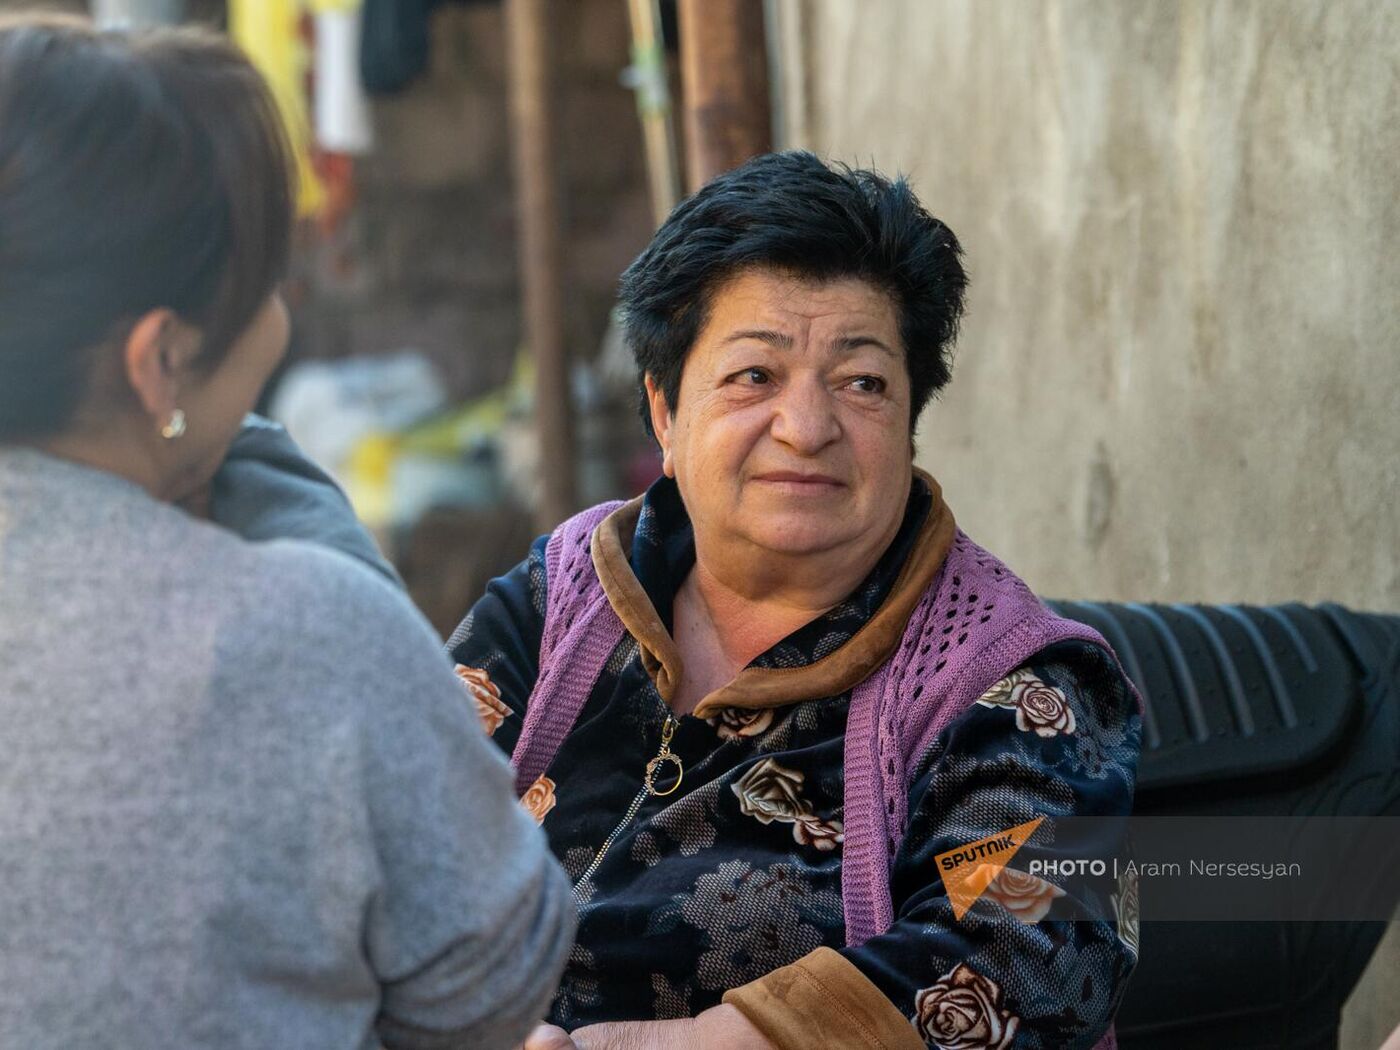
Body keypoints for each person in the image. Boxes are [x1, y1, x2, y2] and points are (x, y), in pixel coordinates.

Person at [457, 152, 1142, 1050]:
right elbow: (390, 834)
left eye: (862, 383)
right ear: (665, 413)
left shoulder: (1023, 684)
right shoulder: (565, 592)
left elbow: (1027, 955)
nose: (808, 427)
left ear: (908, 420)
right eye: (755, 376)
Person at [0, 16, 573, 1050]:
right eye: (265, 277)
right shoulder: (302, 626)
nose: (278, 314)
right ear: (159, 362)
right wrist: (296, 510)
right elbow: (495, 981)